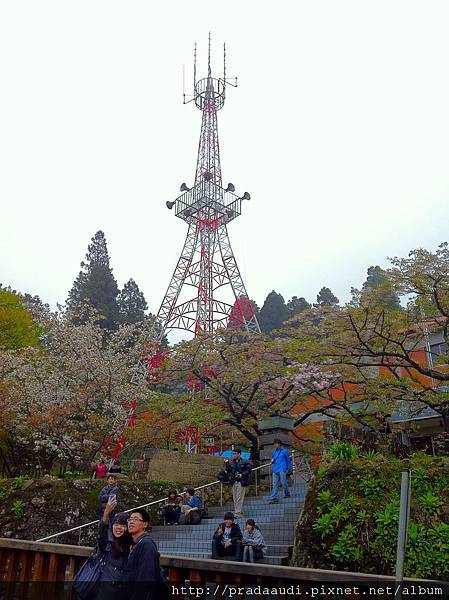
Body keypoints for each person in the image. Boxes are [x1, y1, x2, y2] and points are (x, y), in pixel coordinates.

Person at [125, 508, 166, 600]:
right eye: (130, 519)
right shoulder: (135, 543)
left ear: (145, 524)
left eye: (135, 519)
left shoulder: (147, 544)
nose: (131, 522)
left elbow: (146, 576)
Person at [96, 498, 131, 600]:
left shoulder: (132, 546)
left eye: (123, 525)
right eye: (116, 524)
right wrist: (106, 515)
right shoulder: (107, 544)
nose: (118, 527)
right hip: (105, 591)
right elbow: (102, 535)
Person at [224, 448, 252, 517]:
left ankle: (238, 512)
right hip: (234, 481)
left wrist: (242, 474)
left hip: (241, 481)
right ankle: (237, 512)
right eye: (233, 453)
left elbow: (249, 470)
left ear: (239, 454)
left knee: (239, 497)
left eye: (235, 453)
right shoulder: (232, 462)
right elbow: (229, 470)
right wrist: (227, 463)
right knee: (235, 498)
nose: (234, 455)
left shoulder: (245, 461)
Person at [268, 439, 291, 504]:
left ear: (279, 444)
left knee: (283, 482)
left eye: (276, 444)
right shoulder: (274, 452)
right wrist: (272, 460)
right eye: (274, 444)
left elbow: (288, 460)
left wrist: (288, 468)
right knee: (275, 484)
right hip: (275, 469)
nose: (275, 445)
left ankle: (287, 493)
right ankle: (274, 497)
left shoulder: (284, 451)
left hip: (282, 468)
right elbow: (273, 459)